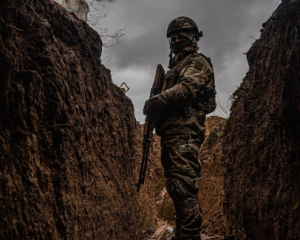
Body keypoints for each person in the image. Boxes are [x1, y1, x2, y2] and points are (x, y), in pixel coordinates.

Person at [143, 16, 216, 240]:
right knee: (176, 187)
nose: (175, 40)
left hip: (185, 134)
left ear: (192, 38)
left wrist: (154, 102)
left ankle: (190, 235)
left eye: (180, 36)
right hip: (172, 135)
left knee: (184, 189)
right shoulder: (177, 67)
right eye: (172, 37)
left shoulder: (197, 62)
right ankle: (183, 234)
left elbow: (186, 89)